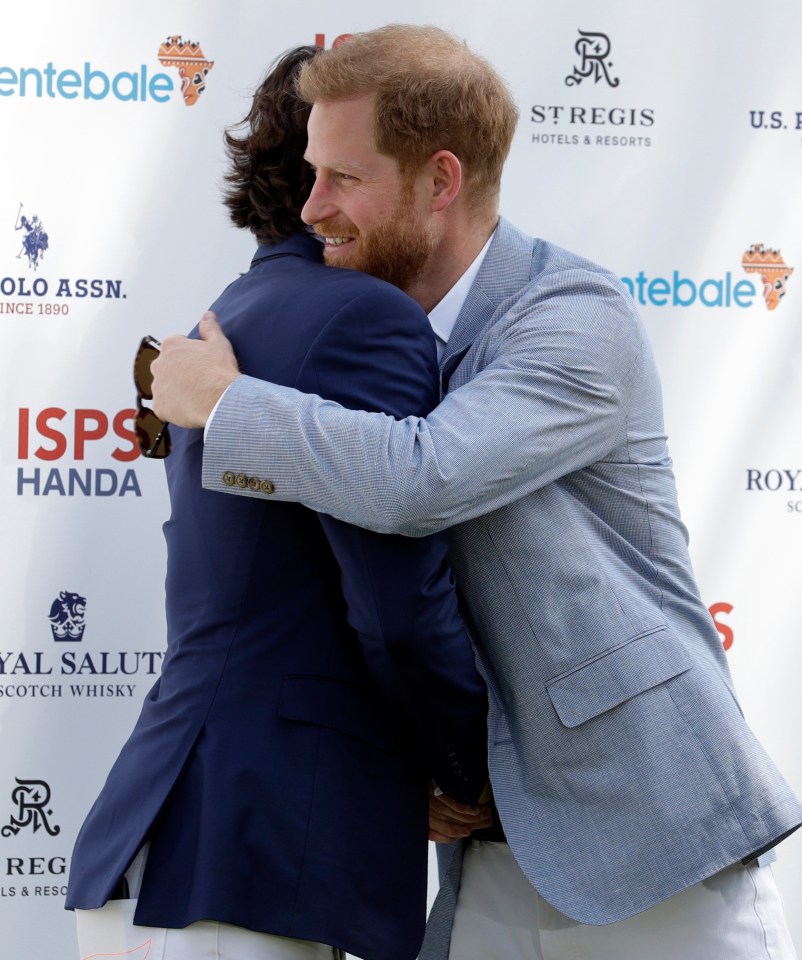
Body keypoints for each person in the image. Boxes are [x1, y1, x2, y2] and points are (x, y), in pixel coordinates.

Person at [149, 24, 802, 960]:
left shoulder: (573, 314)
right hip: (489, 858)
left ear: (440, 181)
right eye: (311, 172)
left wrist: (225, 404)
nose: (313, 207)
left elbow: (422, 479)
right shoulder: (371, 337)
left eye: (343, 178)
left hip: (656, 845)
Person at [65, 44, 490, 960]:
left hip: (175, 849)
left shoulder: (235, 311)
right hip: (250, 858)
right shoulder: (364, 318)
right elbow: (398, 607)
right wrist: (479, 770)